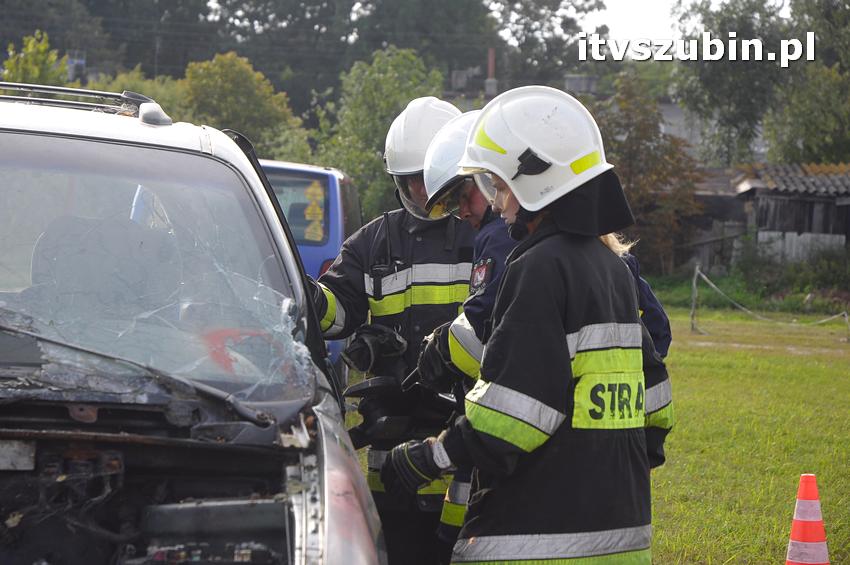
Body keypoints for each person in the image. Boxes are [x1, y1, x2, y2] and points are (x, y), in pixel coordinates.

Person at [381, 85, 674, 564]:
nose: (496, 205)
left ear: (535, 183)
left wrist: (429, 456)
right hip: (624, 540)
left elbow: (511, 418)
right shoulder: (612, 269)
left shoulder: (539, 268)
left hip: (538, 543)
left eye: (498, 187)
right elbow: (655, 409)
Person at [308, 96, 476, 565]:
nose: (423, 191)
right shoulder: (372, 243)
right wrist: (308, 295)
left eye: (430, 177)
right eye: (410, 180)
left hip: (466, 439)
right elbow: (336, 314)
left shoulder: (485, 236)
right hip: (392, 448)